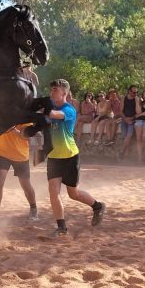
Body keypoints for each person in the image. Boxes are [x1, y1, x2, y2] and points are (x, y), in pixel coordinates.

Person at [45, 79, 106, 236]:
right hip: (53, 157)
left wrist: (37, 108)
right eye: (51, 90)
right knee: (54, 192)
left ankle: (97, 206)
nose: (52, 92)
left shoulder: (69, 110)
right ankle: (61, 228)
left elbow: (53, 114)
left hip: (70, 157)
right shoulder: (50, 108)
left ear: (64, 93)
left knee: (74, 194)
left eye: (55, 90)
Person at [0, 125, 38, 221]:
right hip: (2, 153)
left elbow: (27, 137)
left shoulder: (23, 115)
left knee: (26, 185)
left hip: (20, 155)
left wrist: (14, 129)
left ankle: (33, 209)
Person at [118, 85, 139, 160]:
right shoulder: (124, 99)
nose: (135, 94)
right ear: (129, 91)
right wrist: (126, 119)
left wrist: (131, 118)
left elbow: (138, 112)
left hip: (133, 120)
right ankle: (125, 157)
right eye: (134, 92)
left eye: (137, 92)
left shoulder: (137, 99)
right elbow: (121, 111)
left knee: (129, 135)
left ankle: (121, 152)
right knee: (125, 137)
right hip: (124, 119)